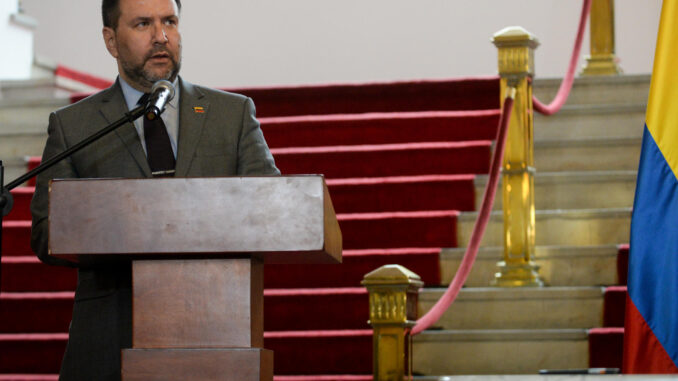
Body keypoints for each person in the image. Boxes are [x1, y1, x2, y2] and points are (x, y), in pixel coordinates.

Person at [29, 0, 279, 379]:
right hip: (109, 340)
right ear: (111, 41)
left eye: (170, 22)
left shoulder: (233, 114)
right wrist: (137, 225)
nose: (162, 37)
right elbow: (46, 231)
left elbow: (274, 209)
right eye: (143, 24)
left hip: (216, 334)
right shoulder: (74, 126)